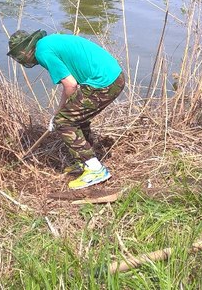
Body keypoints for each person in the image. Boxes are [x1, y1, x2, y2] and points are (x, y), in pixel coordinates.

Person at [7, 30, 125, 190]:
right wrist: (60, 111)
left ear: (25, 49)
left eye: (19, 54)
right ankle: (86, 163)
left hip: (103, 82)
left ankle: (95, 170)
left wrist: (58, 115)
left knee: (64, 122)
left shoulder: (42, 52)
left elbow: (70, 85)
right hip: (112, 77)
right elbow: (72, 85)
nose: (21, 59)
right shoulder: (47, 43)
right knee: (75, 118)